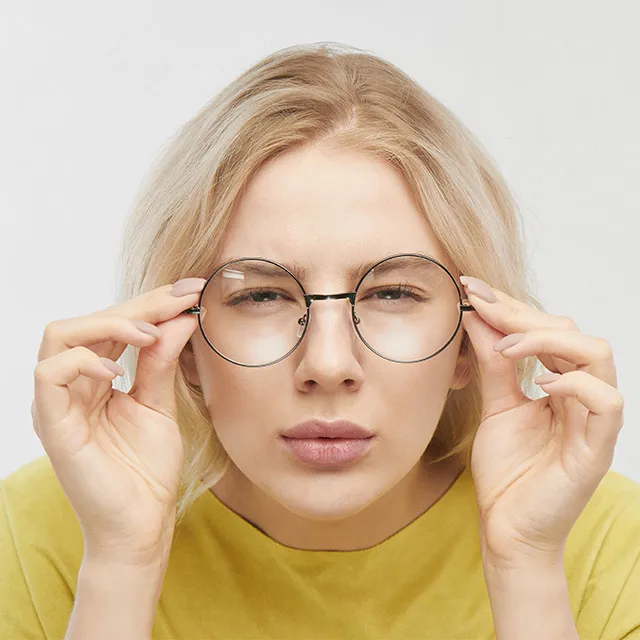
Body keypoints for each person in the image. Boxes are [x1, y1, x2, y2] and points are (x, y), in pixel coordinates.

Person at [1, 41, 638, 640]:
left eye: (394, 293)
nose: (328, 366)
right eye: (260, 295)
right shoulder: (34, 535)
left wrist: (526, 567)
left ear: (472, 341)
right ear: (183, 340)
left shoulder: (606, 542)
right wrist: (120, 566)